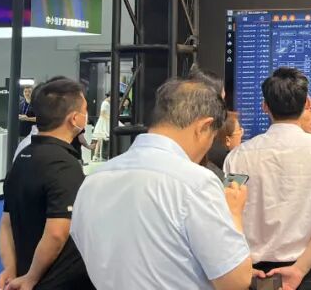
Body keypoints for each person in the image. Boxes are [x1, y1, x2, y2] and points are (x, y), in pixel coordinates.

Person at [71, 78, 254, 290]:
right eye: (212, 137)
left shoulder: (93, 181)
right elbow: (236, 281)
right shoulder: (196, 182)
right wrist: (234, 214)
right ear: (203, 127)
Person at [224, 67, 311, 290]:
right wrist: (299, 269)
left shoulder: (237, 157)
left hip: (256, 274)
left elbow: (229, 215)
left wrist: (243, 266)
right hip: (310, 274)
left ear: (265, 106)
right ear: (306, 104)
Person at [0, 78, 94, 290]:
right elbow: (57, 232)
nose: (86, 115)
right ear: (74, 118)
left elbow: (6, 222)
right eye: (85, 109)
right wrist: (31, 278)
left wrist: (11, 270)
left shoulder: (23, 157)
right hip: (58, 281)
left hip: (27, 274)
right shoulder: (64, 165)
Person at [202, 112, 242, 180]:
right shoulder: (230, 162)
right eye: (240, 130)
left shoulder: (204, 156)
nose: (242, 135)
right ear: (227, 140)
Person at [91, 91, 111, 161]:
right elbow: (102, 113)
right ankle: (96, 156)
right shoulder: (105, 103)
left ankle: (96, 156)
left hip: (105, 121)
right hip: (103, 122)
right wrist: (109, 118)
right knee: (99, 139)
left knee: (100, 139)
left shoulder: (107, 103)